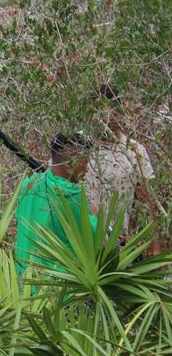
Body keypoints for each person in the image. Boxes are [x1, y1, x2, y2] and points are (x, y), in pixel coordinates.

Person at [84, 85, 162, 255]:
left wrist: (154, 244)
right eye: (96, 111)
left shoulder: (134, 151)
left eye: (107, 110)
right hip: (84, 247)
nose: (102, 118)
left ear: (117, 111)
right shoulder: (80, 151)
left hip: (121, 248)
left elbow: (144, 202)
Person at [14, 133, 98, 276]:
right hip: (54, 288)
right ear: (73, 162)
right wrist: (95, 215)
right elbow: (92, 242)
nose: (87, 169)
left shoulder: (29, 184)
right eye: (85, 161)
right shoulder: (70, 195)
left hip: (23, 281)